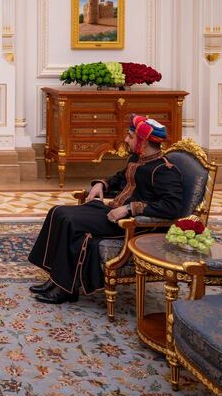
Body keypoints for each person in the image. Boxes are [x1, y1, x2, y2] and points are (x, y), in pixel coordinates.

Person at [27, 115, 184, 304]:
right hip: (113, 211)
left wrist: (129, 208)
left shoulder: (165, 170)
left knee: (69, 221)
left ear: (143, 141)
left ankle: (64, 289)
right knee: (57, 212)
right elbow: (120, 177)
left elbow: (172, 207)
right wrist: (102, 184)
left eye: (130, 136)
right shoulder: (137, 158)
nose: (126, 140)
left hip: (132, 224)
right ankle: (57, 280)